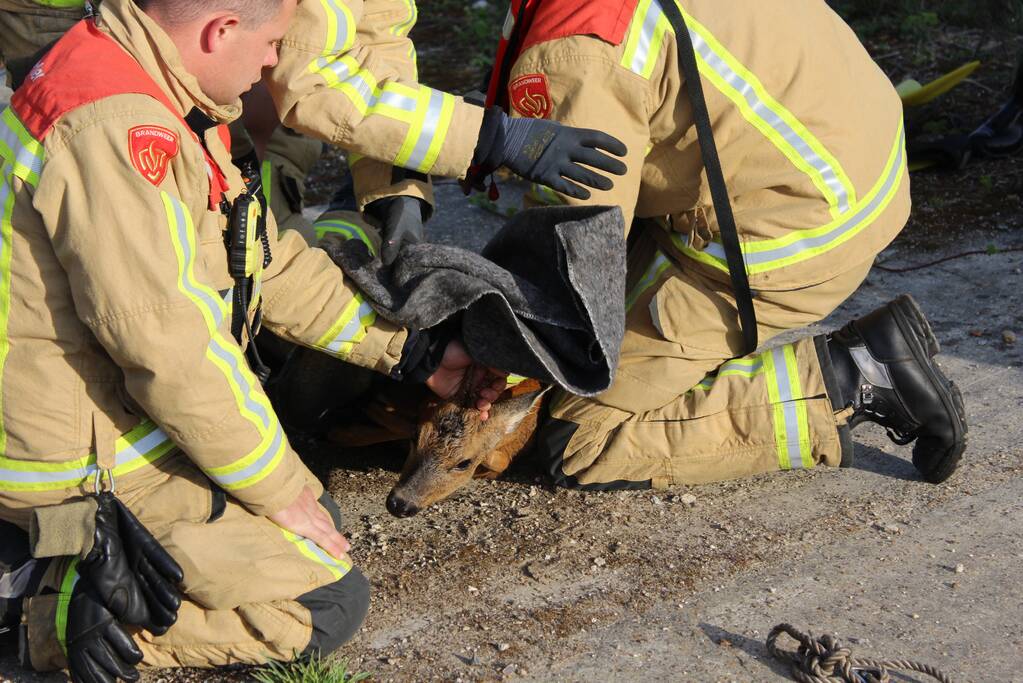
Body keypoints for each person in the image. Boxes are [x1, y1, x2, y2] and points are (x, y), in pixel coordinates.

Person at [0, 0, 577, 678]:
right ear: (219, 31)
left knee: (312, 513)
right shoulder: (121, 132)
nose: (276, 61)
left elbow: (257, 261)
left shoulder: (136, 77)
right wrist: (278, 490)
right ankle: (41, 600)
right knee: (326, 598)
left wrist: (418, 354)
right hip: (70, 461)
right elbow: (173, 354)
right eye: (273, 41)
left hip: (75, 419)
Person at [473, 0, 967, 490]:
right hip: (853, 168)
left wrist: (493, 341)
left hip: (786, 238)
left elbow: (574, 244)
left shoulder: (579, 48)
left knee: (576, 434)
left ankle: (849, 376)